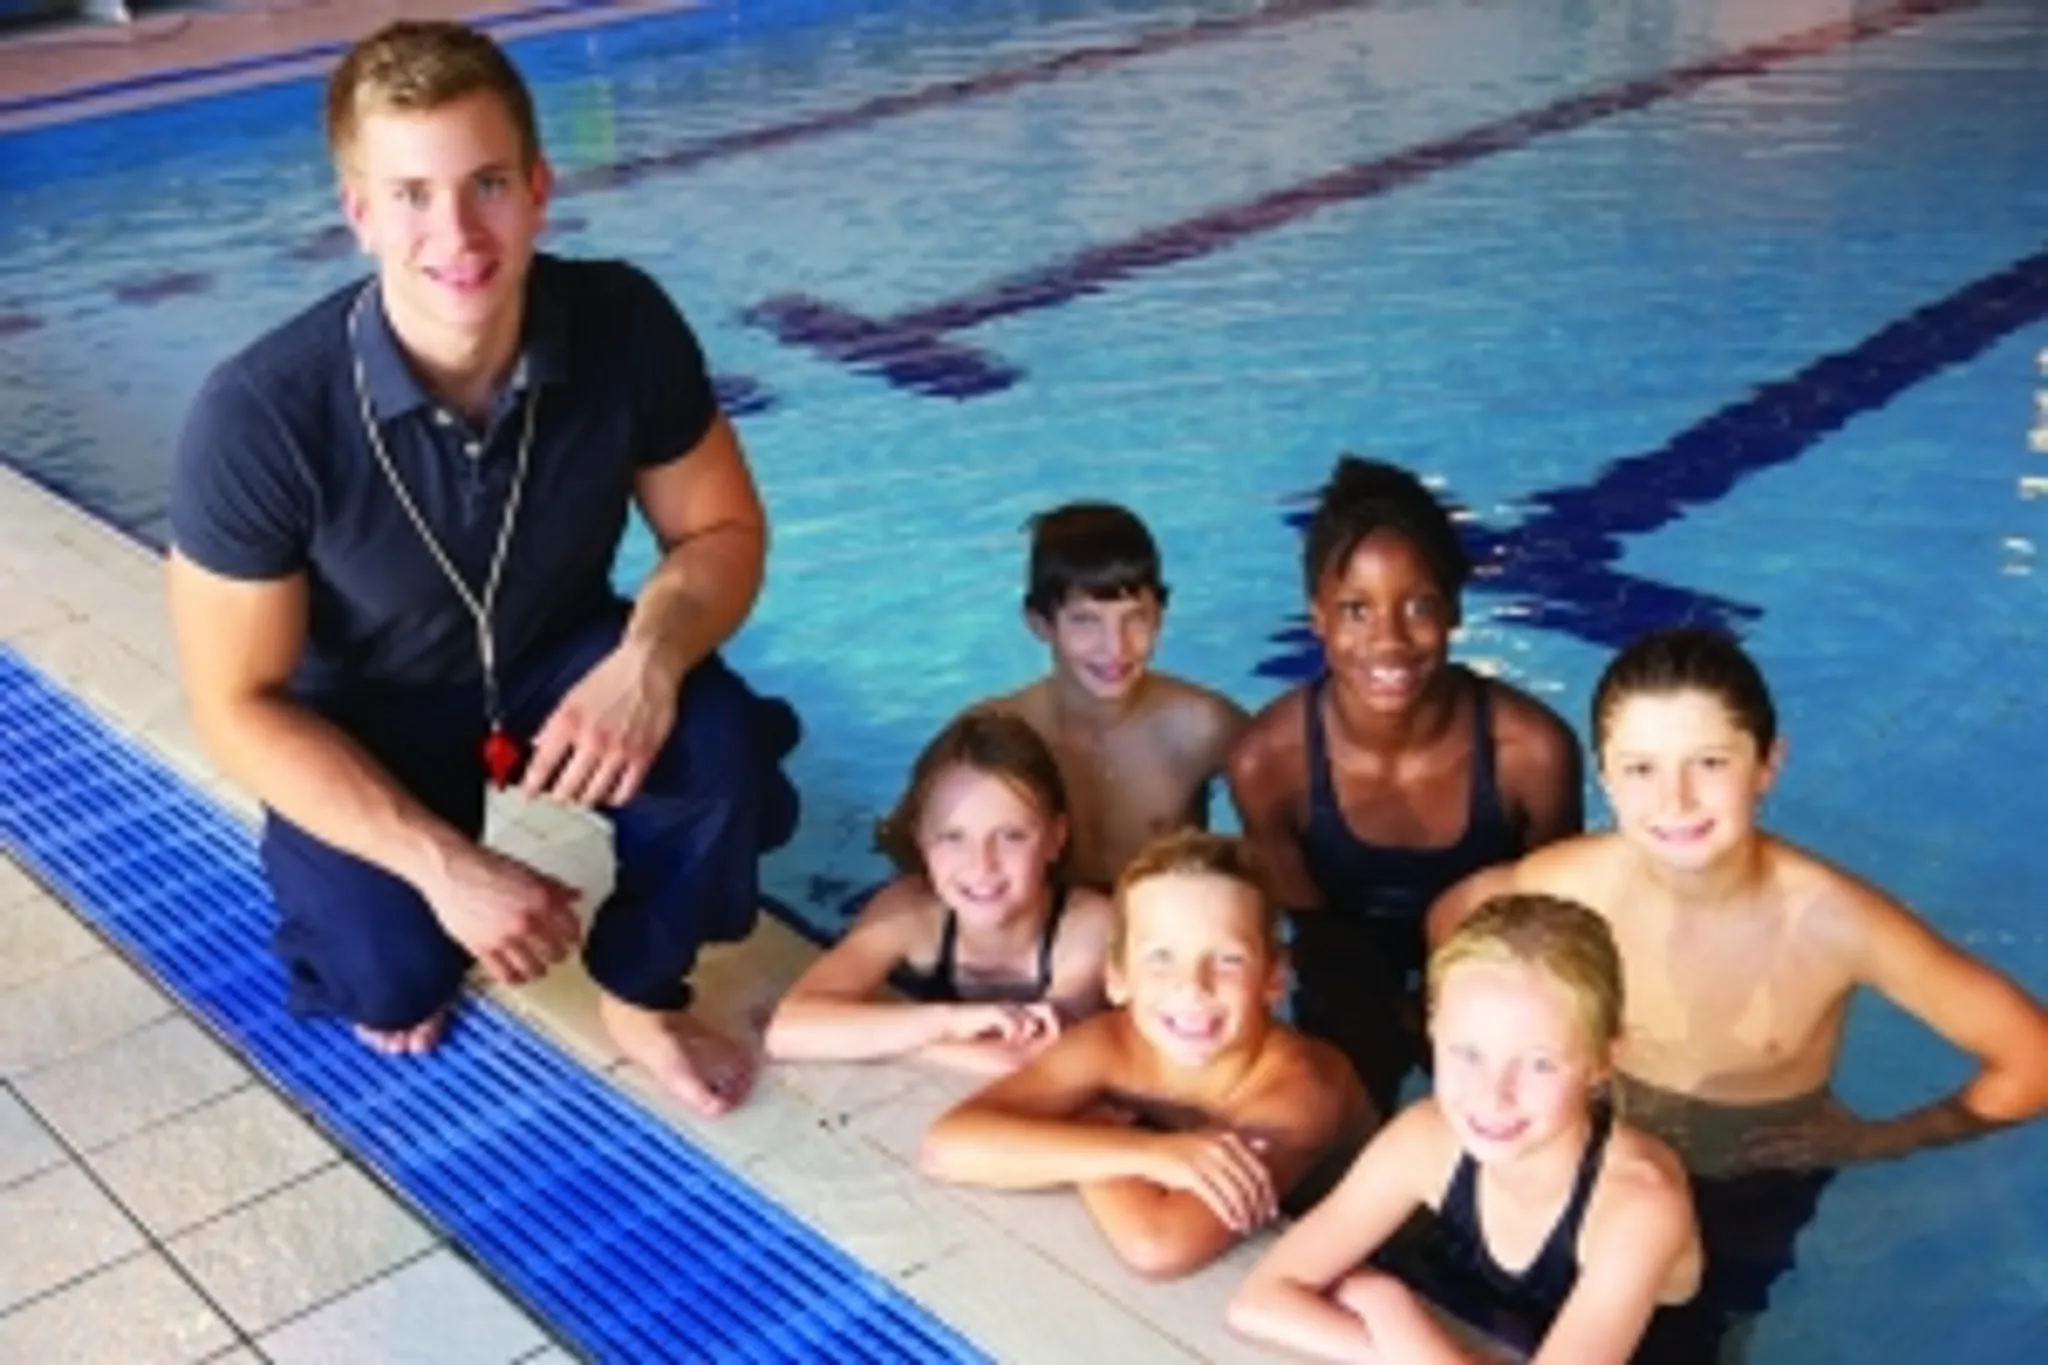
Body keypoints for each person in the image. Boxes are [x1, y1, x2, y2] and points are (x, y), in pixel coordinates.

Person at [164, 21, 798, 1118]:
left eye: (487, 183)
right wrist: (441, 867)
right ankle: (393, 910)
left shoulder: (620, 323)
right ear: (358, 212)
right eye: (410, 194)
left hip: (559, 658)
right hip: (367, 711)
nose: (454, 233)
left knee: (721, 752)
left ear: (540, 186)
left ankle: (639, 990)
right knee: (393, 984)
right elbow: (235, 709)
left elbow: (723, 535)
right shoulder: (261, 414)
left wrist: (647, 659)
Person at [1427, 627, 2048, 1344]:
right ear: (1603, 776)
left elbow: (2032, 1060)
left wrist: (1887, 1139)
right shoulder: (1568, 885)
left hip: (1745, 1186)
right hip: (1580, 1150)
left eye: (1711, 762)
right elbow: (1453, 919)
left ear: (1767, 765)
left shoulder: (1836, 922)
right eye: (1641, 769)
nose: (1676, 798)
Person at [1227, 456, 1582, 1116]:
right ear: (1318, 619)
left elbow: (1553, 926)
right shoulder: (1268, 761)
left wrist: (1459, 1021)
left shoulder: (1530, 752)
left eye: (1418, 605)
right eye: (1356, 610)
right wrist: (1394, 1020)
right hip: (1345, 954)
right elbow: (1316, 934)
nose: (1388, 641)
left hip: (1491, 951)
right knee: (1340, 1092)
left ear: (1453, 610)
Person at [1229, 892, 1700, 1364]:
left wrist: (1388, 1308)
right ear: (1432, 1030)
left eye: (1539, 1064)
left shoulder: (1638, 1207)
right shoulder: (1426, 1140)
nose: (1494, 1096)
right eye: (1468, 1053)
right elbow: (1259, 1301)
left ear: (1602, 1061)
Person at [918, 830, 1371, 1280]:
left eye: (1228, 960)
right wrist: (1147, 1153)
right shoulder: (1111, 1044)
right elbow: (945, 1149)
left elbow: (1158, 1245)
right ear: (1117, 979)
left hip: (1390, 1255)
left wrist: (1085, 1127)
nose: (1193, 984)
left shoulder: (1299, 1092)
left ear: (1274, 980)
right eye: (1161, 958)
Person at [764, 712, 1110, 1074]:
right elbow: (788, 1031)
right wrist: (947, 1022)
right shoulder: (910, 912)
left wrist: (882, 1038)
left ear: (1056, 837)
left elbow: (1029, 1059)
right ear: (920, 838)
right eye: (953, 837)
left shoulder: (1088, 927)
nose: (982, 865)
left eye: (1011, 836)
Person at [979, 502, 1247, 889]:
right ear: (1040, 623)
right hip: (1055, 941)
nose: (1115, 647)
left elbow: (1293, 822)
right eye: (1085, 620)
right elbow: (914, 848)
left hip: (1166, 937)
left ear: (1160, 616)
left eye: (1135, 617)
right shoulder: (996, 734)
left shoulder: (1203, 728)